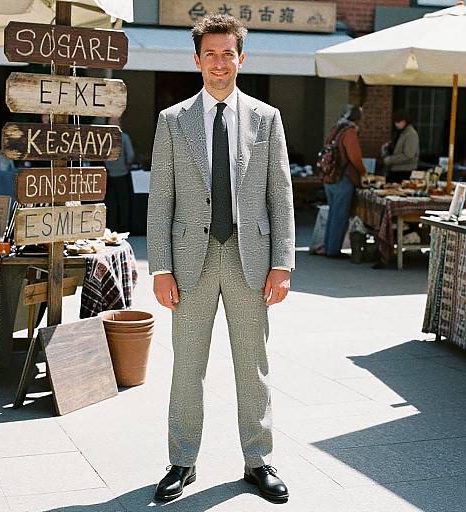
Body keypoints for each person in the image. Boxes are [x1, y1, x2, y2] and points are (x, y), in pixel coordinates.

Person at [147, 14, 295, 503]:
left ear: (241, 58)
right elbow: (160, 202)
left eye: (227, 52)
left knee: (252, 365)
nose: (218, 61)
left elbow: (281, 196)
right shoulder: (172, 122)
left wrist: (284, 262)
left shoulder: (266, 118)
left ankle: (258, 460)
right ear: (196, 59)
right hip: (191, 263)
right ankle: (182, 461)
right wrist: (161, 267)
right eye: (209, 53)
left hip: (250, 260)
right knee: (188, 365)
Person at [320, 104, 367, 258]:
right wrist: (363, 172)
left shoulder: (336, 128)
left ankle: (328, 247)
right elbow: (355, 157)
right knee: (340, 216)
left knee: (333, 213)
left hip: (329, 176)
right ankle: (333, 251)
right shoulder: (350, 132)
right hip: (342, 178)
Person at [104, 116, 135, 233]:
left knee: (110, 203)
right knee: (123, 203)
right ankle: (124, 228)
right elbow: (131, 155)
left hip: (108, 174)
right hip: (122, 174)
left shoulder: (104, 138)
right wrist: (127, 166)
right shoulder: (124, 137)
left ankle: (111, 227)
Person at [382, 109, 419, 183]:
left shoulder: (411, 134)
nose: (396, 124)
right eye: (395, 122)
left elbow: (408, 155)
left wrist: (389, 160)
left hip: (405, 171)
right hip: (396, 169)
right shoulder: (401, 132)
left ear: (405, 121)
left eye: (398, 122)